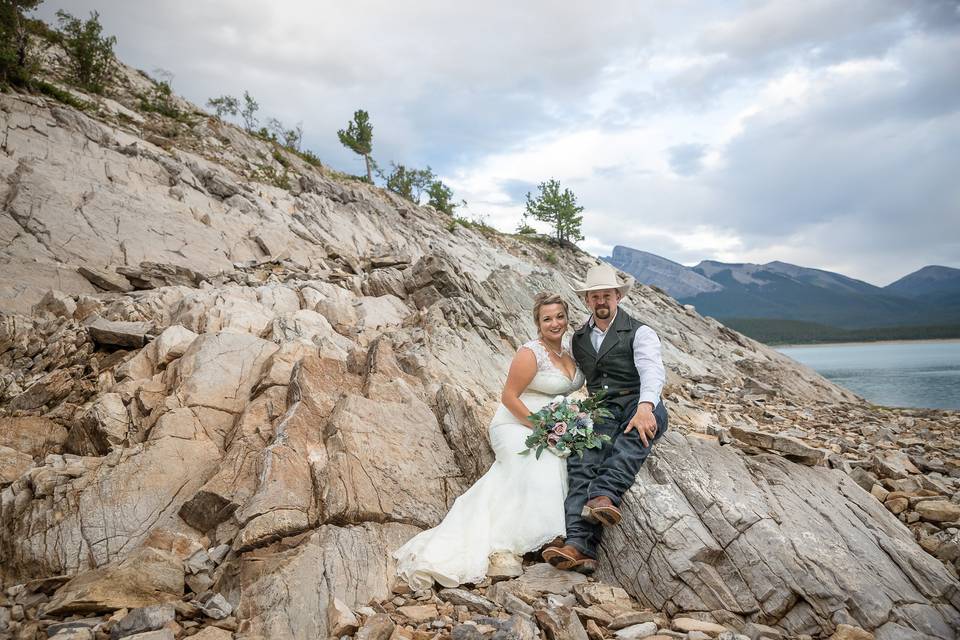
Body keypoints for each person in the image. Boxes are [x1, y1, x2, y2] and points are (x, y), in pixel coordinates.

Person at [393, 292, 585, 589]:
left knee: (567, 461)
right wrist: (542, 429)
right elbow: (508, 397)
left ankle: (552, 535)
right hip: (516, 422)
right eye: (547, 318)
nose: (555, 323)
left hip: (555, 422)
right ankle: (544, 539)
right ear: (538, 323)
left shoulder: (569, 353)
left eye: (559, 316)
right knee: (543, 461)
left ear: (567, 318)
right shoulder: (530, 353)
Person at [542, 263, 668, 573]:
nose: (601, 302)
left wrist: (646, 408)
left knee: (631, 440)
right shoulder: (579, 338)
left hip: (639, 402)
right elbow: (578, 376)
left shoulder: (640, 331)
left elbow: (652, 371)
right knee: (581, 460)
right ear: (587, 301)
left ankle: (604, 496)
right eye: (595, 296)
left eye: (606, 295)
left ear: (617, 297)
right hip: (602, 408)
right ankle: (578, 546)